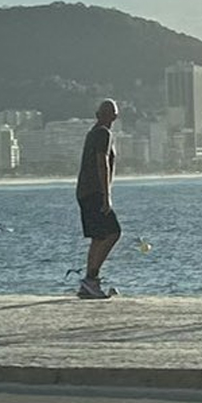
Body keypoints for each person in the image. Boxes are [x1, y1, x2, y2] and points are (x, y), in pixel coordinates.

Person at [75, 99, 121, 300]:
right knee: (114, 232)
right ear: (112, 116)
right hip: (94, 192)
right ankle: (91, 279)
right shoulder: (103, 133)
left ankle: (88, 283)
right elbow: (102, 164)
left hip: (84, 192)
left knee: (98, 236)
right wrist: (106, 196)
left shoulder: (93, 133)